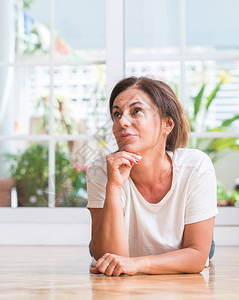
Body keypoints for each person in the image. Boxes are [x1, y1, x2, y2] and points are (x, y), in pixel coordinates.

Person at [86, 76, 219, 276]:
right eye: (116, 114)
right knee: (97, 248)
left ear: (167, 124)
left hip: (182, 244)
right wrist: (113, 187)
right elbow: (111, 258)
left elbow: (197, 257)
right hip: (120, 242)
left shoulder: (196, 166)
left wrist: (138, 264)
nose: (122, 121)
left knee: (205, 246)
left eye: (136, 111)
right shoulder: (102, 170)